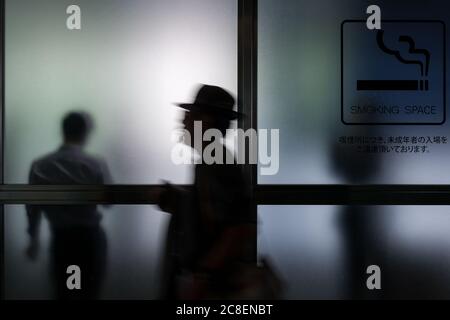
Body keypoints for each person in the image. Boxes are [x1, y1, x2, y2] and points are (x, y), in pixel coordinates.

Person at [157, 85, 259, 299]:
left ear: (207, 122)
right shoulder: (212, 160)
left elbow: (239, 227)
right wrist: (181, 200)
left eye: (190, 115)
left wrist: (203, 276)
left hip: (213, 288)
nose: (182, 121)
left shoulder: (218, 162)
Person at [25, 111, 112, 300]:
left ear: (62, 131)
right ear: (86, 133)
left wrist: (33, 239)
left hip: (62, 240)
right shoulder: (95, 164)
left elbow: (33, 207)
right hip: (90, 239)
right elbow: (108, 202)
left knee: (66, 293)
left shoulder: (40, 165)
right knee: (88, 293)